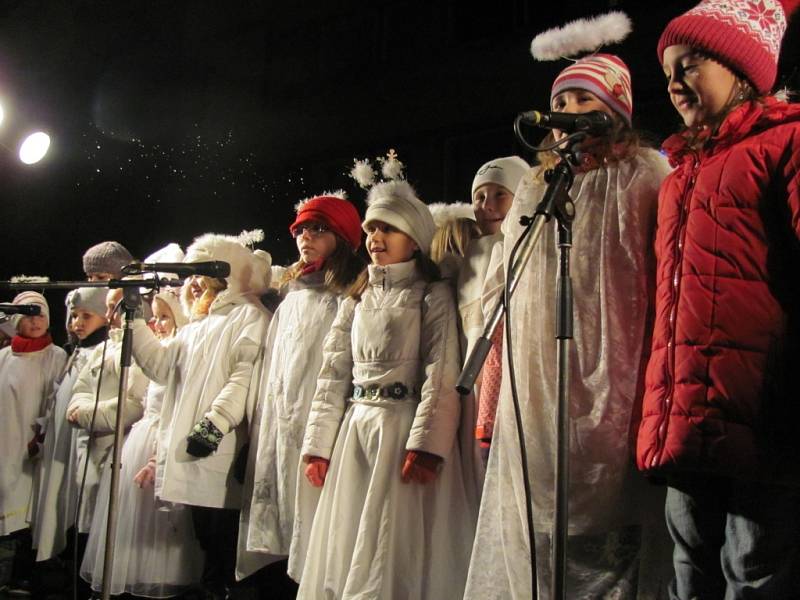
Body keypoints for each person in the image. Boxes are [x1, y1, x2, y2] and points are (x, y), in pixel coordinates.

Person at [464, 47, 673, 598]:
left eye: (584, 99)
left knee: (612, 528)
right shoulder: (538, 187)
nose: (569, 110)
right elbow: (504, 289)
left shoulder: (646, 175)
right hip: (542, 385)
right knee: (544, 524)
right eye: (560, 101)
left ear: (614, 109)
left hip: (617, 377)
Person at [637, 1, 800, 597]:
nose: (676, 83)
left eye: (691, 63)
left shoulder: (787, 143)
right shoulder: (680, 176)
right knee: (691, 567)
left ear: (744, 69)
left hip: (764, 416)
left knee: (754, 571)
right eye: (668, 72)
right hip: (689, 418)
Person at [297, 177, 473, 599]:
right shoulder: (355, 298)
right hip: (357, 434)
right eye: (372, 229)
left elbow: (441, 369)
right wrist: (318, 443)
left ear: (413, 240)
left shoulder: (431, 295)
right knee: (353, 537)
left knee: (395, 543)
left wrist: (427, 444)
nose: (376, 237)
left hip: (401, 434)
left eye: (388, 228)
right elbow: (333, 374)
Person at [130, 231, 272, 599]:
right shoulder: (195, 328)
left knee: (224, 546)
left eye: (202, 277)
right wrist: (133, 325)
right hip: (192, 452)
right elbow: (161, 368)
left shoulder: (249, 317)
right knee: (207, 544)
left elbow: (244, 379)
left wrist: (213, 427)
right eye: (192, 278)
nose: (192, 285)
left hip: (217, 452)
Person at [242, 193, 364, 586]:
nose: (305, 237)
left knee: (320, 520)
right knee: (284, 515)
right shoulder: (292, 293)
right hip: (284, 416)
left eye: (318, 229)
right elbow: (275, 364)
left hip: (323, 414)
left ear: (342, 236)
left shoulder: (349, 292)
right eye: (300, 229)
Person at [81, 276, 204, 598]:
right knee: (129, 523)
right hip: (140, 439)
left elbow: (176, 408)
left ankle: (161, 581)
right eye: (156, 316)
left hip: (160, 442)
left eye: (165, 316)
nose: (157, 323)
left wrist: (155, 457)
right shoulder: (157, 354)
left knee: (160, 529)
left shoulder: (182, 355)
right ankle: (127, 581)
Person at [31, 287, 109, 563]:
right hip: (61, 438)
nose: (77, 322)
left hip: (85, 440)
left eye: (87, 316)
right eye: (74, 316)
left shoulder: (102, 353)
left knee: (80, 499)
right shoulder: (75, 352)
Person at [0, 292, 66, 594]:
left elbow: (55, 402)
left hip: (32, 448)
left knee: (28, 508)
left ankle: (25, 575)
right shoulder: (3, 357)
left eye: (40, 314)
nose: (35, 321)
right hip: (5, 442)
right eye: (27, 315)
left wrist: (40, 438)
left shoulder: (56, 356)